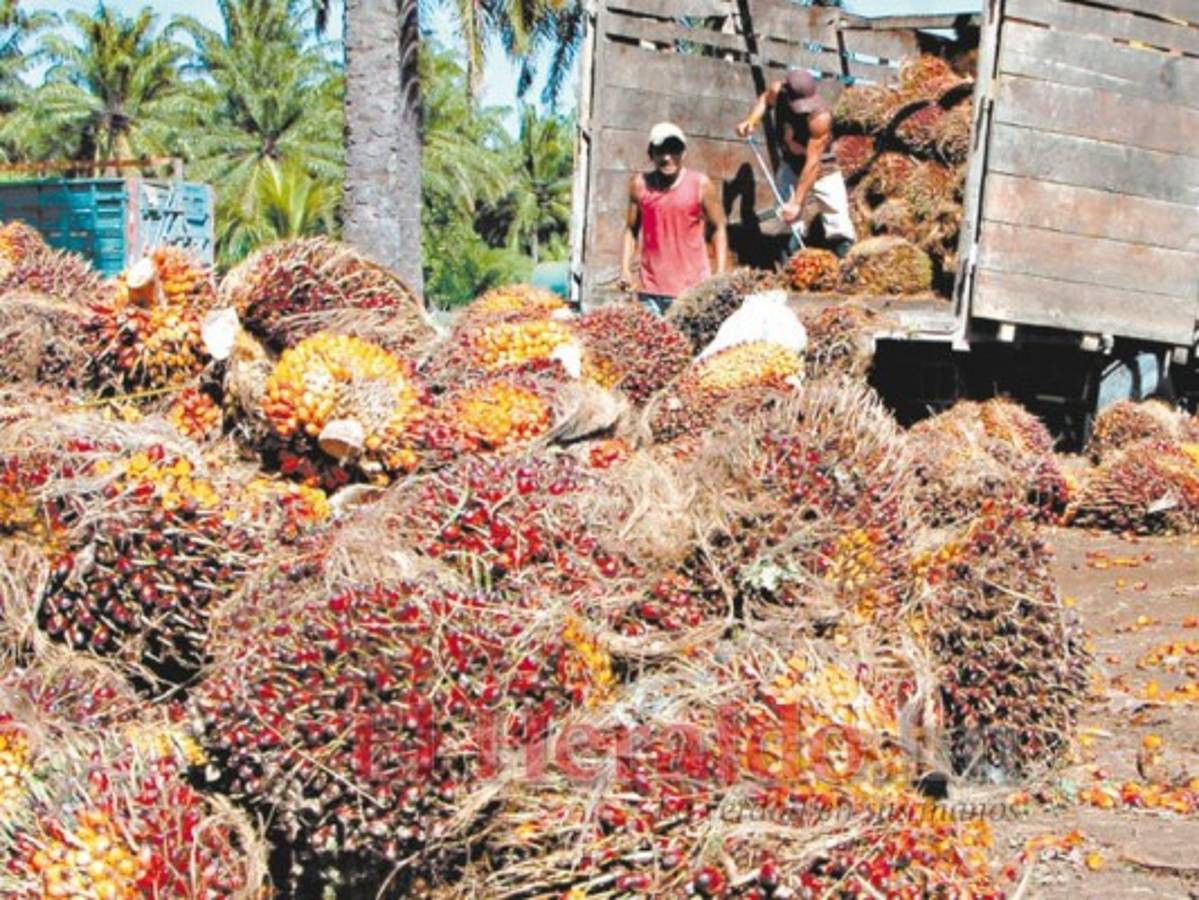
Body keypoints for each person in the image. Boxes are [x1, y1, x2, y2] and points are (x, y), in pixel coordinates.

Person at [735, 69, 855, 258]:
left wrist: (797, 202)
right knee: (784, 216)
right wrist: (751, 121)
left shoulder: (820, 118)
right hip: (791, 165)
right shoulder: (778, 91)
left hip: (823, 169)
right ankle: (791, 260)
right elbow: (765, 99)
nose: (803, 108)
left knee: (837, 219)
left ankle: (845, 262)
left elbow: (813, 163)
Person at [619, 122, 728, 315]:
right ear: (650, 154)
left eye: (674, 150)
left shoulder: (700, 184)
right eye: (661, 151)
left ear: (683, 153)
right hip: (650, 291)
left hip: (692, 292)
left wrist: (719, 273)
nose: (668, 158)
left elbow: (719, 227)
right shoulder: (639, 185)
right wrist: (625, 269)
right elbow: (630, 229)